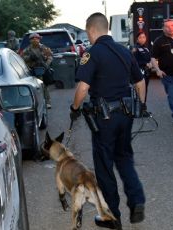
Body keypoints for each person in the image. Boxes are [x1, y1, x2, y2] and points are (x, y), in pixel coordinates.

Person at [70, 12, 147, 229]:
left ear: (91, 30)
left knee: (104, 168)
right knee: (124, 159)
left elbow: (83, 88)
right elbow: (140, 83)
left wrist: (74, 108)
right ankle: (137, 200)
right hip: (126, 116)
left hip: (104, 119)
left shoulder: (92, 53)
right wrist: (140, 107)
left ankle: (112, 218)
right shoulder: (124, 51)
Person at [21, 33, 53, 108]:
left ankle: (47, 102)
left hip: (43, 69)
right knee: (34, 87)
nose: (35, 40)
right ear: (30, 40)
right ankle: (36, 102)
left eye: (36, 38)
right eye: (33, 39)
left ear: (39, 39)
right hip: (33, 70)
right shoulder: (27, 49)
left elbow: (50, 57)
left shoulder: (44, 48)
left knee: (44, 86)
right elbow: (22, 58)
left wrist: (46, 65)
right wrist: (30, 57)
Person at [132, 32, 152, 102]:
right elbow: (134, 61)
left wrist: (150, 63)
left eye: (144, 37)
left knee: (145, 90)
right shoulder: (135, 48)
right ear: (137, 39)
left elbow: (149, 59)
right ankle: (139, 108)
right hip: (140, 72)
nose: (142, 39)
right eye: (140, 37)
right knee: (139, 92)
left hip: (146, 72)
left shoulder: (146, 49)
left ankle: (143, 107)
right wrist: (145, 63)